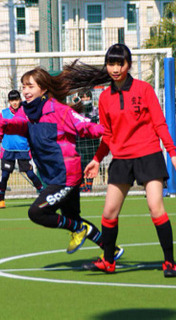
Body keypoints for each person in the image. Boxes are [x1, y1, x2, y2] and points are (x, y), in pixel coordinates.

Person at [0, 66, 124, 255]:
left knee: (37, 213)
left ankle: (79, 230)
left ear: (44, 88)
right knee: (73, 219)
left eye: (30, 86)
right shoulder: (25, 112)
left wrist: (110, 129)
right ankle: (111, 250)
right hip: (53, 176)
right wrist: (0, 132)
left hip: (67, 176)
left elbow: (86, 126)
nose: (25, 91)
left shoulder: (60, 111)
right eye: (23, 87)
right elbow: (15, 124)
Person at [83, 43, 176, 277]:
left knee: (156, 208)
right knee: (109, 213)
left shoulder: (144, 89)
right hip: (121, 159)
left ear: (129, 64)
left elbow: (159, 123)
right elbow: (108, 135)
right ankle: (108, 261)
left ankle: (170, 262)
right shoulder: (104, 97)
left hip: (148, 154)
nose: (115, 68)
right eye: (111, 63)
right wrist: (96, 159)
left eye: (119, 63)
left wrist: (172, 152)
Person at [0, 90, 43, 209]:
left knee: (30, 173)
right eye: (12, 100)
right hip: (7, 149)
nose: (14, 102)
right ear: (9, 101)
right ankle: (1, 200)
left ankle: (44, 196)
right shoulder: (4, 113)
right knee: (5, 175)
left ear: (20, 100)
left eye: (16, 100)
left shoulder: (26, 112)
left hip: (23, 149)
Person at [75, 90, 99, 192]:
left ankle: (89, 187)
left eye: (87, 97)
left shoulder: (95, 110)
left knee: (90, 163)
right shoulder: (76, 110)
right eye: (83, 97)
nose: (85, 99)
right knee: (79, 164)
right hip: (79, 141)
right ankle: (81, 185)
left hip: (92, 141)